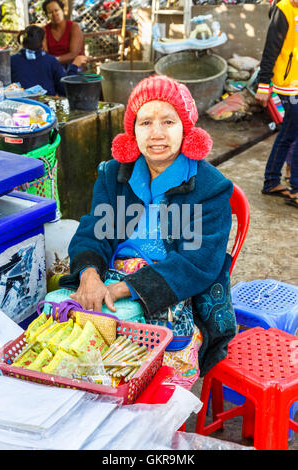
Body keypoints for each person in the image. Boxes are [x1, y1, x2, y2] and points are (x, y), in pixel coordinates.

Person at [49, 75, 236, 388]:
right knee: (58, 320)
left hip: (175, 289)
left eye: (168, 121)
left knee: (144, 361)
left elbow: (197, 263)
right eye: (146, 122)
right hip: (107, 278)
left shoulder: (209, 187)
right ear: (132, 130)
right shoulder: (114, 175)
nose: (157, 134)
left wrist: (122, 290)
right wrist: (91, 278)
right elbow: (95, 231)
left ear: (186, 128)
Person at [255, 0, 298, 209]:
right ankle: (296, 189)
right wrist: (264, 84)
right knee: (294, 134)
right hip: (288, 84)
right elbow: (270, 48)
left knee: (288, 132)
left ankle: (271, 181)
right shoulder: (283, 9)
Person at [11, 25, 87, 97]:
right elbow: (66, 90)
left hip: (20, 106)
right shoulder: (50, 61)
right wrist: (74, 66)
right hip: (45, 107)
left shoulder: (12, 60)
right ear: (43, 41)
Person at [42, 0, 84, 68]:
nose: (54, 14)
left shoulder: (73, 27)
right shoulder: (44, 30)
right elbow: (44, 53)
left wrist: (53, 61)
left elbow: (73, 54)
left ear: (63, 10)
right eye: (50, 12)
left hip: (72, 65)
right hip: (52, 67)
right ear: (47, 15)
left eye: (57, 10)